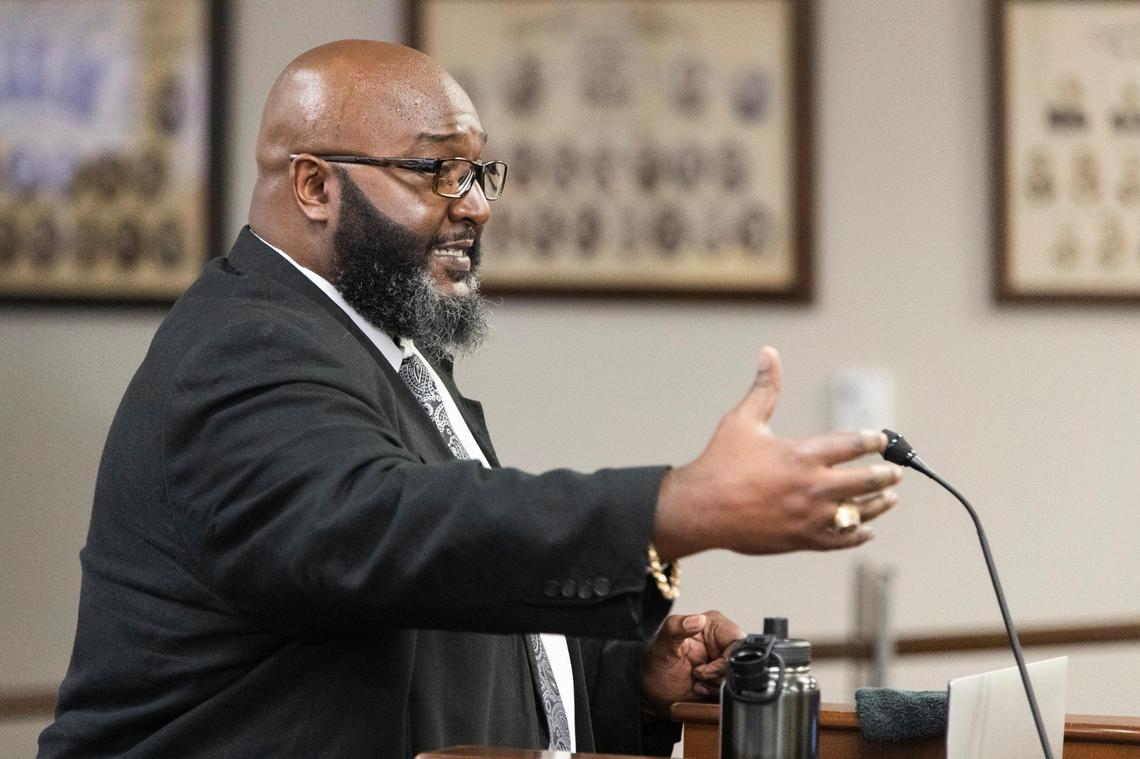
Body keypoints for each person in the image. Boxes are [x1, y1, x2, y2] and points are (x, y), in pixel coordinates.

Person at [38, 41, 902, 758]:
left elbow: (447, 607)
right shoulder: (240, 349)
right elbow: (391, 532)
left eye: (480, 170)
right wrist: (678, 505)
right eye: (436, 170)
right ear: (313, 185)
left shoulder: (385, 349)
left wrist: (629, 680)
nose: (478, 206)